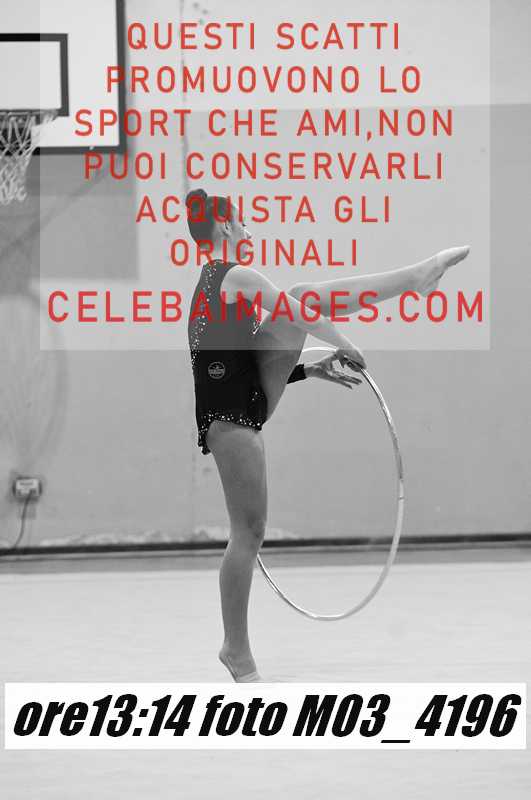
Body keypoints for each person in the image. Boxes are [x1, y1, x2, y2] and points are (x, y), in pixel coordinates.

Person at [186, 188, 470, 682]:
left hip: (240, 404)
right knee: (248, 533)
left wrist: (305, 369)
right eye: (243, 221)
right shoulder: (233, 276)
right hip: (231, 418)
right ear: (226, 226)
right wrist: (344, 342)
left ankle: (416, 277)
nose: (249, 229)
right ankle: (235, 647)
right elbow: (297, 317)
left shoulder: (216, 282)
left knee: (309, 293)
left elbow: (236, 361)